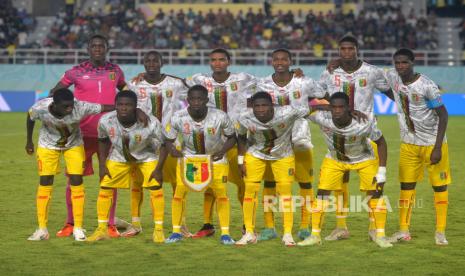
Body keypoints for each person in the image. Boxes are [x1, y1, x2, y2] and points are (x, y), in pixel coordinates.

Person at [50, 34, 127, 238]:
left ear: (107, 48)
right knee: (74, 180)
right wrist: (55, 110)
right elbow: (56, 91)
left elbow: (125, 91)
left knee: (110, 178)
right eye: (94, 46)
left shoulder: (115, 71)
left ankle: (110, 224)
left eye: (102, 45)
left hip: (110, 135)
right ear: (88, 49)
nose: (98, 49)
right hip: (80, 135)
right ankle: (71, 223)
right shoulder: (75, 72)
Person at [319, 35, 392, 241]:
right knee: (340, 180)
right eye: (343, 49)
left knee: (371, 185)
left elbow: (390, 93)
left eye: (350, 48)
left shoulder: (371, 71)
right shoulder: (330, 72)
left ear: (357, 49)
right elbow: (320, 93)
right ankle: (341, 226)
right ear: (339, 51)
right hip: (339, 133)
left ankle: (373, 227)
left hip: (366, 133)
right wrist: (336, 109)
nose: (347, 52)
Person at [297, 92, 392, 248]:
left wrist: (382, 172)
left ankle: (380, 235)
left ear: (349, 108)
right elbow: (298, 109)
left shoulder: (362, 123)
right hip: (335, 160)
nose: (337, 111)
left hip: (364, 159)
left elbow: (381, 142)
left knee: (376, 194)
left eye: (341, 107)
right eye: (334, 107)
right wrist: (322, 106)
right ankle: (315, 235)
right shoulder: (321, 117)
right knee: (321, 194)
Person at [256, 48, 326, 241]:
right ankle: (270, 227)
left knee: (304, 183)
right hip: (273, 140)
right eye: (276, 59)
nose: (280, 62)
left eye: (284, 59)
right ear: (271, 62)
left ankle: (304, 226)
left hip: (300, 138)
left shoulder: (303, 82)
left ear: (290, 61)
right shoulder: (262, 84)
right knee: (269, 183)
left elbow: (322, 92)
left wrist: (313, 104)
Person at [185, 48, 256, 238]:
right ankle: (208, 224)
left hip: (239, 141)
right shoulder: (201, 81)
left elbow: (269, 84)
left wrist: (294, 72)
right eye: (214, 60)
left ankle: (246, 225)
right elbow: (178, 81)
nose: (217, 63)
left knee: (244, 183)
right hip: (213, 143)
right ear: (210, 63)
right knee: (210, 185)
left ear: (228, 61)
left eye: (221, 59)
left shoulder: (243, 79)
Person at [26, 88, 114, 241]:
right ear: (54, 104)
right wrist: (29, 141)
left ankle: (78, 228)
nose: (70, 109)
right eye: (65, 106)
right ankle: (42, 229)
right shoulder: (40, 108)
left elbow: (104, 107)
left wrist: (128, 106)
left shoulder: (80, 107)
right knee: (45, 182)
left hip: (73, 145)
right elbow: (30, 117)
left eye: (71, 105)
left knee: (76, 180)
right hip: (47, 145)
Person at [385, 48, 450, 246]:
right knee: (406, 187)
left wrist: (438, 147)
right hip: (409, 145)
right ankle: (404, 230)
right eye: (397, 63)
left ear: (413, 62)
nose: (400, 66)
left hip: (432, 144)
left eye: (404, 62)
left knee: (439, 187)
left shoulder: (427, 85)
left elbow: (443, 114)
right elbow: (367, 71)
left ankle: (440, 232)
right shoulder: (392, 77)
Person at [123, 50, 190, 237]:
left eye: (155, 61)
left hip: (170, 139)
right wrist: (136, 110)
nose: (151, 63)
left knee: (177, 183)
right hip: (142, 141)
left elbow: (193, 90)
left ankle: (181, 223)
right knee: (137, 183)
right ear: (143, 64)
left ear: (162, 63)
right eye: (148, 61)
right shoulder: (135, 84)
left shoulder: (175, 84)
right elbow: (123, 103)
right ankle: (135, 224)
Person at [87, 91, 166, 243]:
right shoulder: (105, 120)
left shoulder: (150, 122)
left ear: (136, 107)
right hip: (119, 156)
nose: (124, 108)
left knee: (156, 188)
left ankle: (158, 231)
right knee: (105, 186)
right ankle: (101, 230)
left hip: (146, 155)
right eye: (120, 105)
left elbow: (164, 144)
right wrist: (102, 164)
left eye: (128, 105)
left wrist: (158, 169)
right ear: (115, 106)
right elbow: (103, 140)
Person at [163, 85, 236, 245]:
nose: (196, 102)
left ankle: (225, 234)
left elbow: (232, 137)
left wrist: (223, 151)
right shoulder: (178, 117)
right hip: (189, 161)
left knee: (222, 195)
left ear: (206, 100)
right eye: (193, 99)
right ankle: (176, 232)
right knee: (179, 195)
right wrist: (172, 150)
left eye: (200, 99)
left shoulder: (220, 116)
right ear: (188, 100)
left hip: (215, 161)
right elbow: (168, 139)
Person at [235, 92, 310, 247]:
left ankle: (287, 234)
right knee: (250, 191)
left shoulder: (287, 112)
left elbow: (310, 108)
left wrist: (328, 105)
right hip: (256, 154)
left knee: (285, 193)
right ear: (252, 107)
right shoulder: (244, 117)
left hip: (283, 155)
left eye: (264, 105)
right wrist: (241, 161)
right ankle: (249, 233)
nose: (261, 109)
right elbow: (241, 138)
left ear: (272, 106)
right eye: (257, 106)